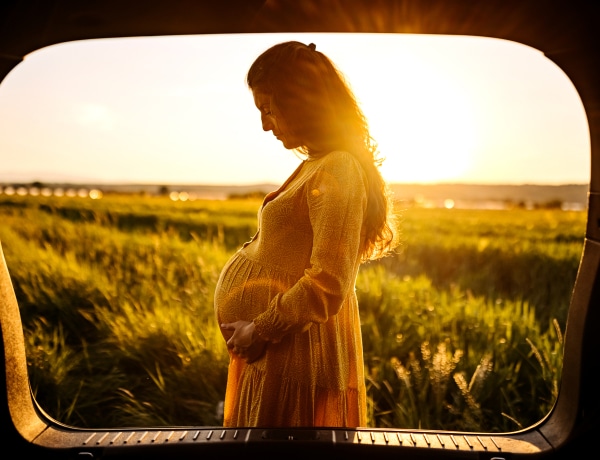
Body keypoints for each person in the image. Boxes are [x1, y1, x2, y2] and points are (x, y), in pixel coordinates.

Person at [214, 41, 396, 428]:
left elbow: (329, 281)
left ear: (302, 102)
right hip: (279, 356)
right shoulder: (319, 164)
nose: (265, 124)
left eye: (269, 108)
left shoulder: (340, 169)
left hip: (296, 357)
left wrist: (260, 330)